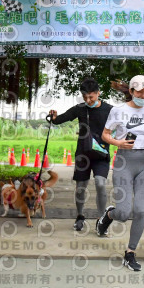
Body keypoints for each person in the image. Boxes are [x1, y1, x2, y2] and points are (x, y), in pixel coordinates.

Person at [96, 75, 144, 271]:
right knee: (124, 213)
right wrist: (118, 142)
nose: (143, 95)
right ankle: (109, 215)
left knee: (141, 210)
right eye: (140, 92)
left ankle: (130, 253)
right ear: (132, 92)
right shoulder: (118, 110)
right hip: (124, 162)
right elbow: (105, 135)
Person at [49, 78, 113, 231]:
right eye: (85, 97)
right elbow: (60, 119)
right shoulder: (80, 108)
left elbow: (123, 123)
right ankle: (80, 216)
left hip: (101, 154)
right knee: (80, 188)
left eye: (91, 97)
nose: (88, 100)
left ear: (98, 93)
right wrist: (54, 117)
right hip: (83, 154)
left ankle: (101, 219)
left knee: (100, 183)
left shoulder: (110, 109)